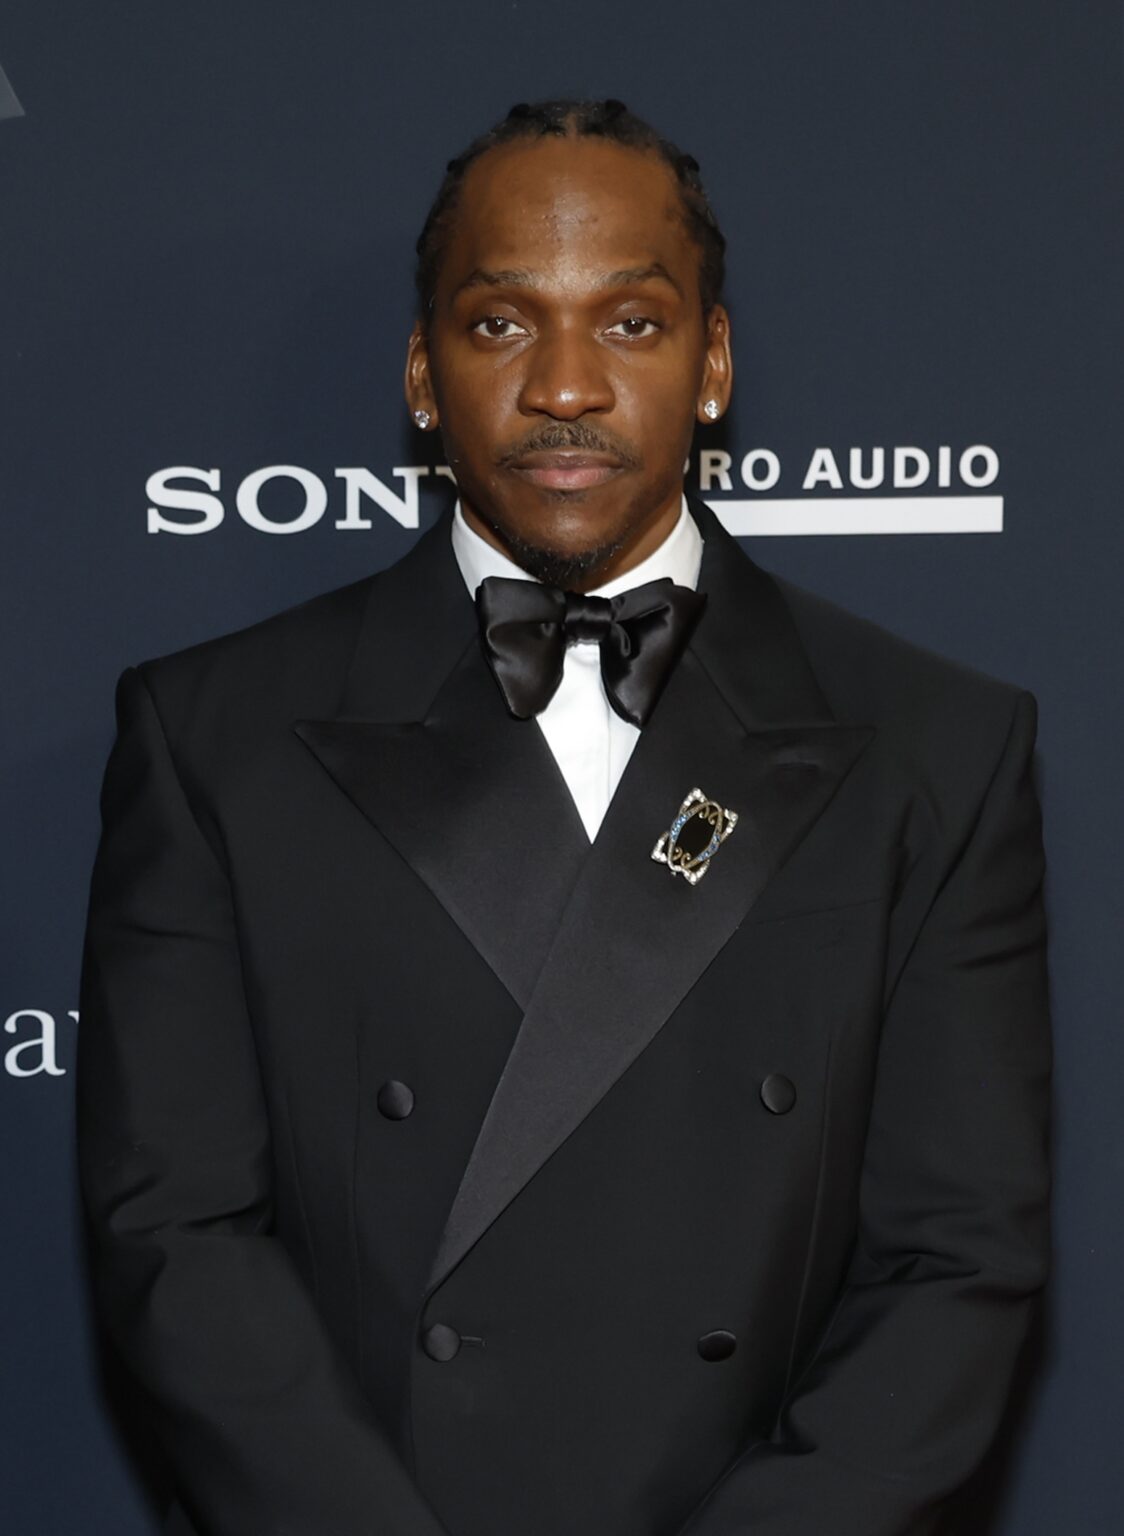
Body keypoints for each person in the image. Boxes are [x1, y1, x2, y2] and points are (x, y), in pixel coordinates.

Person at [77, 99, 1051, 1536]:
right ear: (424, 374)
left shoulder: (939, 745)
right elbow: (178, 1236)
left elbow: (960, 1258)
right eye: (500, 325)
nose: (567, 386)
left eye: (633, 324)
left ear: (713, 365)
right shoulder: (211, 735)